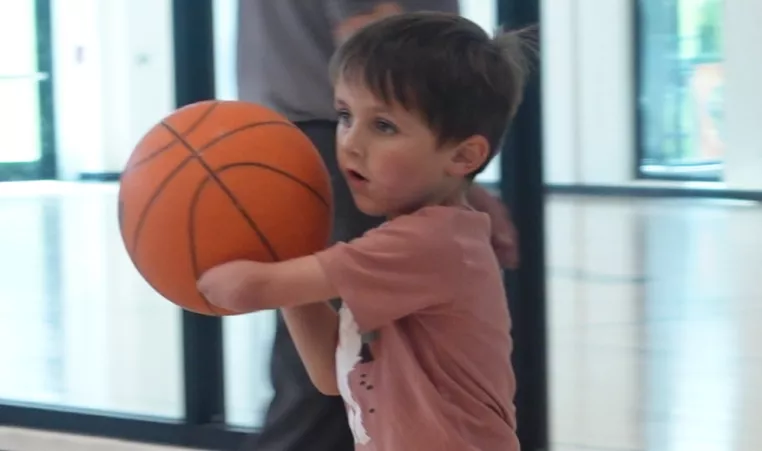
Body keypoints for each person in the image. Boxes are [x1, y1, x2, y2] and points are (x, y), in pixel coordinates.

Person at [207, 11, 530, 450]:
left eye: (383, 126)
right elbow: (328, 373)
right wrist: (281, 255)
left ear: (463, 156)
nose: (351, 142)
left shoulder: (424, 244)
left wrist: (207, 257)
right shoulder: (415, 240)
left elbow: (245, 289)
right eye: (344, 115)